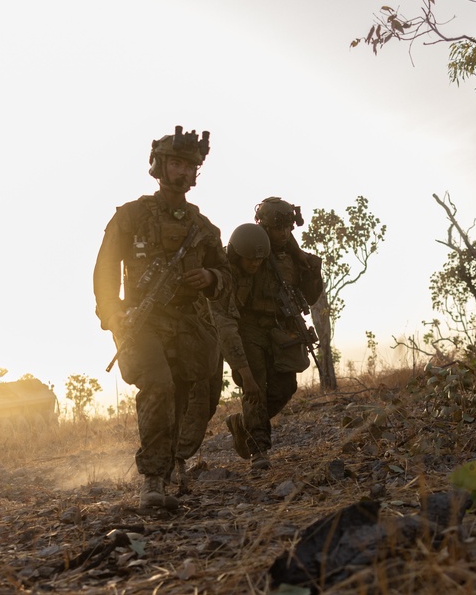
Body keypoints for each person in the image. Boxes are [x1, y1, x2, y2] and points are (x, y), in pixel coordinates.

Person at [94, 125, 231, 510]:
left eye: (190, 166)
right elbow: (105, 272)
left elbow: (228, 275)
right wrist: (114, 314)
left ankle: (170, 469)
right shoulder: (132, 216)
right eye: (176, 163)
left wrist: (210, 277)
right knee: (158, 385)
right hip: (142, 319)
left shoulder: (203, 228)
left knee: (191, 393)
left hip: (187, 321)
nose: (183, 172)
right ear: (159, 166)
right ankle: (152, 481)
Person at [225, 197, 324, 470]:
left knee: (285, 387)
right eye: (278, 228)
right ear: (265, 226)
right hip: (250, 327)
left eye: (288, 229)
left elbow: (309, 296)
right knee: (255, 387)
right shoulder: (251, 248)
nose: (283, 234)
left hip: (281, 330)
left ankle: (242, 424)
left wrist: (310, 268)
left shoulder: (292, 256)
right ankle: (259, 451)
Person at [171, 222, 270, 490]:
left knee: (211, 400)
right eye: (250, 259)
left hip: (209, 339)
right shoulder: (224, 273)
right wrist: (246, 374)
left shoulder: (248, 274)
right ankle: (172, 462)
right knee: (198, 401)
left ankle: (172, 458)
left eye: (259, 260)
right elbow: (225, 328)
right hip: (195, 337)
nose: (255, 264)